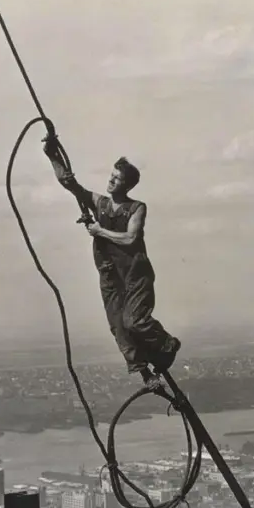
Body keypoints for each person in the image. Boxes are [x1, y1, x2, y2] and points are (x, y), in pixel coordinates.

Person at [43, 138, 181, 390]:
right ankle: (146, 376)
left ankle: (167, 344)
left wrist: (99, 231)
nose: (111, 180)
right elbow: (70, 184)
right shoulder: (101, 204)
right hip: (110, 275)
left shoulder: (136, 208)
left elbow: (131, 238)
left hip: (135, 276)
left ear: (127, 184)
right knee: (119, 328)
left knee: (135, 322)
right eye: (111, 175)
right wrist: (52, 155)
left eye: (116, 178)